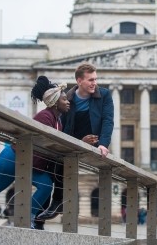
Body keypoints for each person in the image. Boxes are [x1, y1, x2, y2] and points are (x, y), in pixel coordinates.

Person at [37, 63, 114, 220]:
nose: (94, 83)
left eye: (95, 79)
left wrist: (103, 144)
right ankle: (49, 207)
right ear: (79, 81)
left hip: (95, 141)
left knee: (59, 164)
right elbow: (64, 128)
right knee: (53, 164)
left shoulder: (104, 95)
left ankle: (57, 202)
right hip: (73, 140)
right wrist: (78, 141)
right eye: (90, 80)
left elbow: (108, 121)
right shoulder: (68, 98)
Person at [0, 76, 70, 229]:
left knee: (46, 185)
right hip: (12, 159)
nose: (68, 102)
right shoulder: (45, 116)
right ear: (54, 103)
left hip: (29, 164)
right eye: (64, 99)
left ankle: (28, 218)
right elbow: (52, 145)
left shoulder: (57, 120)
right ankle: (27, 219)